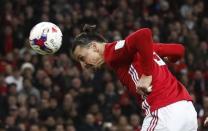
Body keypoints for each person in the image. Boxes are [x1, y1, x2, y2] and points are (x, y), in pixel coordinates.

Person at [71, 25, 198, 131]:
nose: (83, 65)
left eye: (82, 58)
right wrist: (171, 59)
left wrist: (147, 74)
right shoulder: (141, 49)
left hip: (164, 111)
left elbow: (144, 33)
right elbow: (179, 50)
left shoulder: (113, 51)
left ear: (94, 47)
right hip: (186, 110)